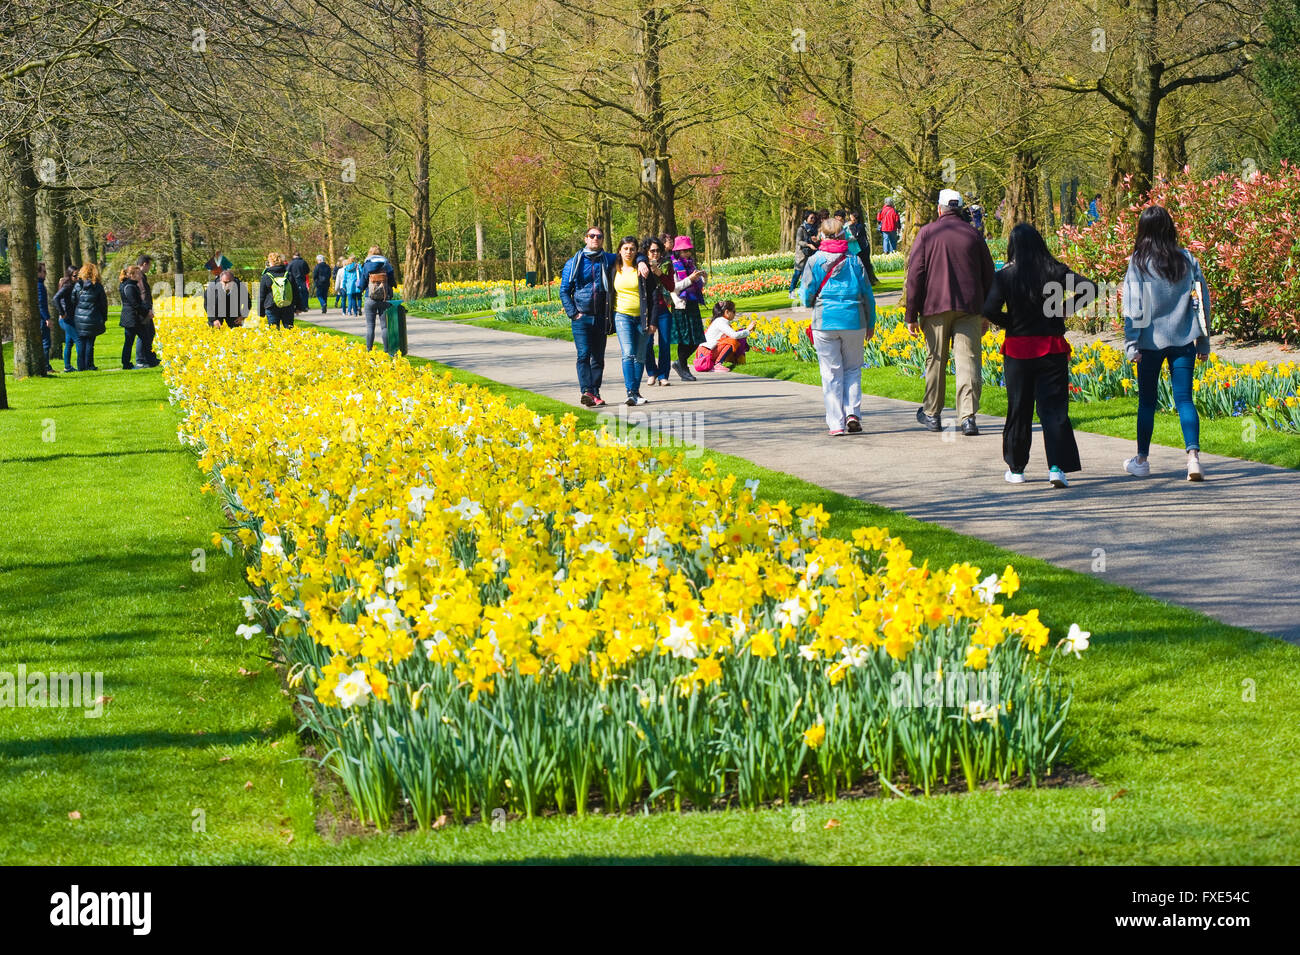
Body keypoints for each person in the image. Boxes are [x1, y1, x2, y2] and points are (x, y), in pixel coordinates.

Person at [982, 224, 1092, 487]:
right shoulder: (1055, 271)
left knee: (1019, 408)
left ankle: (1017, 468)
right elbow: (1089, 288)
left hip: (1019, 349)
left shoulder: (1005, 275)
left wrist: (1011, 322)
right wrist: (1063, 308)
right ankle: (1056, 467)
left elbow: (988, 309)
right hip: (1051, 347)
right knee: (1053, 410)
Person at [1121, 205, 1211, 482]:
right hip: (1183, 339)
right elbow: (1202, 303)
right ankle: (1193, 459)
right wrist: (1203, 343)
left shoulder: (1138, 262)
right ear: (1169, 227)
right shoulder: (1187, 259)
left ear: (1143, 230)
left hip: (1149, 343)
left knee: (1147, 402)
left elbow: (1134, 308)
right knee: (1185, 399)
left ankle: (1142, 460)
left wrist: (1131, 344)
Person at [905, 188, 996, 436]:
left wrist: (911, 314)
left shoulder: (927, 233)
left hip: (935, 306)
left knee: (936, 359)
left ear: (939, 209)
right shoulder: (974, 235)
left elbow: (915, 275)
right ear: (960, 209)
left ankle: (933, 414)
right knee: (968, 361)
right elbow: (989, 277)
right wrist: (988, 312)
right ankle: (967, 418)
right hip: (969, 307)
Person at [800, 215, 876, 436]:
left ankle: (836, 423)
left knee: (831, 373)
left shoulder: (814, 261)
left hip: (825, 321)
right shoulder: (855, 260)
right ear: (843, 234)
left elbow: (806, 296)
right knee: (852, 369)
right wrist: (871, 322)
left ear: (822, 235)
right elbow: (868, 296)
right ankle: (853, 413)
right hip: (854, 320)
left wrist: (812, 299)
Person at [559, 227, 649, 406]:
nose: (595, 239)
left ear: (602, 239)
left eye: (599, 236)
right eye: (592, 236)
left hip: (601, 316)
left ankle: (595, 392)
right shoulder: (573, 263)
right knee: (583, 355)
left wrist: (641, 261)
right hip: (581, 317)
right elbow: (564, 291)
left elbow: (628, 253)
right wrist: (573, 313)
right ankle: (587, 391)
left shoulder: (608, 259)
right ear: (585, 238)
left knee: (598, 358)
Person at [611, 236, 652, 406]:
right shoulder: (613, 267)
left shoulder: (643, 269)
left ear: (637, 251)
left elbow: (653, 296)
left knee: (640, 356)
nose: (628, 252)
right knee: (628, 352)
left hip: (642, 317)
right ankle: (630, 391)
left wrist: (653, 321)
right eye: (625, 248)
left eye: (632, 249)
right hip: (622, 315)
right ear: (619, 250)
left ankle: (635, 392)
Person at [668, 235, 707, 381]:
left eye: (688, 250)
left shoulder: (690, 264)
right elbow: (674, 288)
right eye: (683, 251)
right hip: (680, 306)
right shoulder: (673, 266)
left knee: (697, 339)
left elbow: (698, 286)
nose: (687, 253)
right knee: (684, 339)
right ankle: (683, 368)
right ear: (677, 251)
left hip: (692, 303)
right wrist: (690, 279)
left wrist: (703, 278)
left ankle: (679, 363)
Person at [639, 236, 675, 387]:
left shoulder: (666, 264)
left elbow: (671, 287)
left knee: (665, 343)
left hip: (662, 307)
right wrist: (644, 264)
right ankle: (652, 372)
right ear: (646, 252)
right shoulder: (641, 264)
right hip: (647, 309)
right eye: (652, 251)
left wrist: (660, 273)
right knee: (647, 343)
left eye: (658, 251)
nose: (655, 254)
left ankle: (663, 375)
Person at [694, 301, 755, 372]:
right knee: (732, 341)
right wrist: (748, 330)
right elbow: (734, 335)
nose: (734, 314)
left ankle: (718, 363)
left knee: (730, 340)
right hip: (706, 352)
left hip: (703, 352)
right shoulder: (721, 321)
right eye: (734, 311)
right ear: (727, 312)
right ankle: (718, 364)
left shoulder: (718, 321)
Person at [356, 246, 396, 350]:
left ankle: (369, 350)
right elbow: (392, 280)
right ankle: (387, 350)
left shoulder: (367, 265)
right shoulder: (386, 264)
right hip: (384, 297)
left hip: (370, 298)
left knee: (370, 326)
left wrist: (360, 288)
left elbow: (363, 282)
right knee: (384, 326)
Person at [70, 263, 107, 371]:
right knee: (90, 342)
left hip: (79, 317)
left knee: (81, 342)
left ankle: (81, 366)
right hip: (93, 316)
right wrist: (103, 317)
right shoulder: (98, 286)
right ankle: (89, 364)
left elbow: (73, 300)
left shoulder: (78, 285)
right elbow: (103, 303)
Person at [118, 265, 155, 369]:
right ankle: (148, 360)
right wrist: (146, 312)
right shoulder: (129, 287)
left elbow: (138, 302)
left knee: (138, 339)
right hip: (132, 318)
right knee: (142, 339)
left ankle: (129, 362)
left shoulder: (130, 285)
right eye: (138, 274)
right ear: (131, 275)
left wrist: (147, 309)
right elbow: (135, 304)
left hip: (132, 317)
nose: (140, 276)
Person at [258, 252, 297, 329]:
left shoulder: (266, 276)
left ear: (270, 263)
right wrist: (297, 306)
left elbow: (262, 295)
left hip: (271, 306)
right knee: (289, 330)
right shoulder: (288, 274)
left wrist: (261, 311)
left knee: (274, 331)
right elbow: (295, 292)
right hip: (287, 306)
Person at [134, 254, 159, 366]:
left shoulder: (139, 276)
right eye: (149, 265)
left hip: (144, 309)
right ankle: (141, 359)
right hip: (144, 310)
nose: (150, 268)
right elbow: (143, 294)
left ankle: (148, 357)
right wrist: (147, 309)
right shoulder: (140, 277)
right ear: (144, 264)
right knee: (144, 334)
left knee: (149, 333)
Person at [844, 210, 879, 286]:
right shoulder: (852, 225)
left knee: (865, 264)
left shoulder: (859, 226)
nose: (850, 219)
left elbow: (856, 236)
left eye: (851, 217)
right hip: (858, 248)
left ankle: (869, 281)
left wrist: (846, 239)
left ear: (855, 218)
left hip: (863, 248)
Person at [789, 211, 821, 294]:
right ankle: (791, 291)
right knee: (797, 273)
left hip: (811, 254)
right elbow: (799, 242)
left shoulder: (815, 228)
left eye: (814, 218)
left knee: (808, 274)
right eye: (811, 218)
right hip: (801, 255)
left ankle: (805, 292)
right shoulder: (801, 228)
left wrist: (816, 241)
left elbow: (817, 242)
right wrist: (809, 244)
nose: (813, 219)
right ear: (806, 218)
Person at [53, 269, 77, 372]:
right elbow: (55, 299)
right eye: (75, 275)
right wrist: (62, 313)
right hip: (66, 319)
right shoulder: (67, 287)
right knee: (78, 340)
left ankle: (67, 366)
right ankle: (82, 366)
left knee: (69, 342)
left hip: (69, 318)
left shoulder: (67, 286)